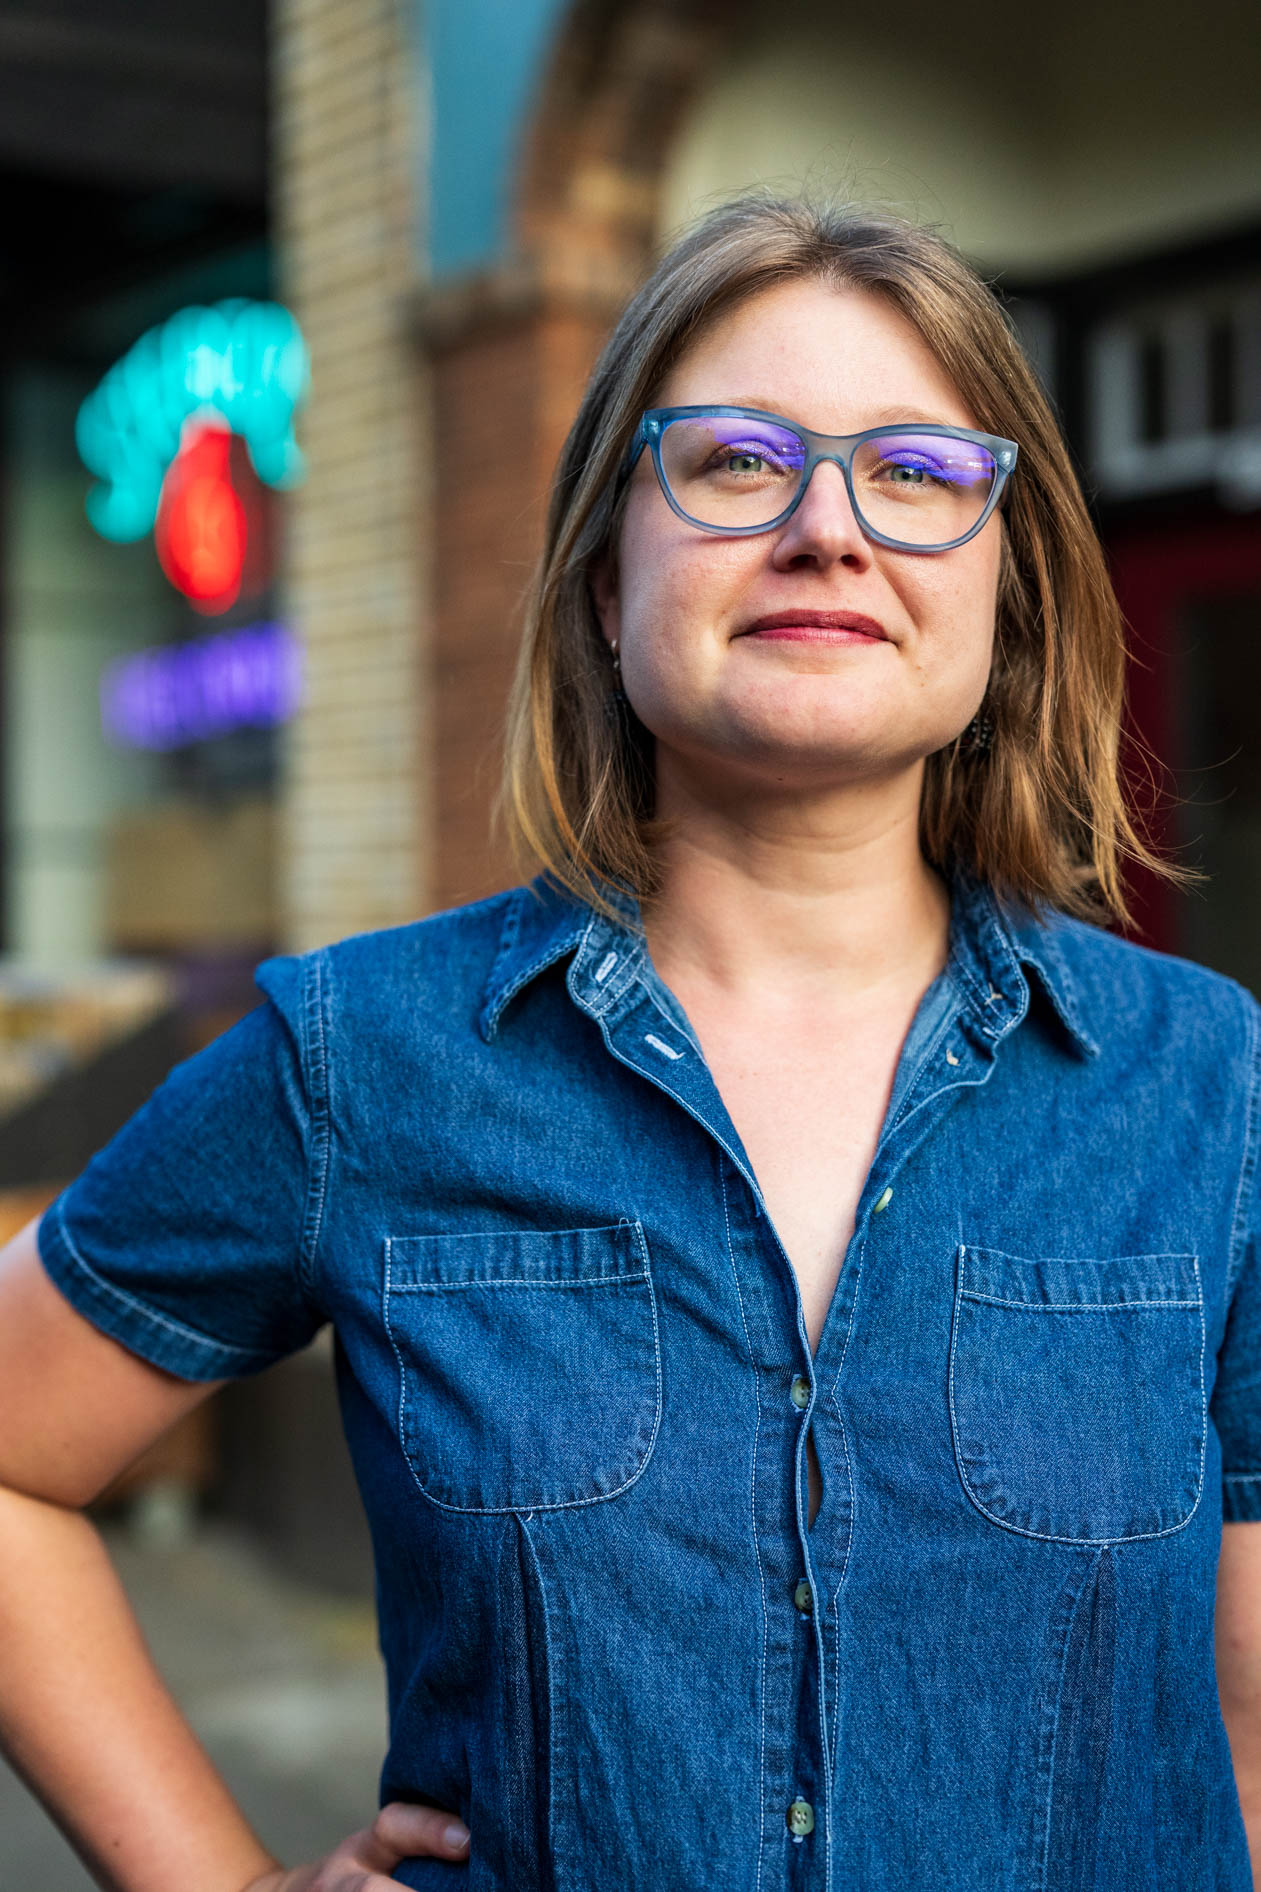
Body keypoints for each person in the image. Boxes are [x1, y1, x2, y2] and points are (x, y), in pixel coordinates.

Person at [1, 192, 1260, 1892]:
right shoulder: (360, 1059)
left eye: (912, 473)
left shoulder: (1209, 1084)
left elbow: (1244, 1717)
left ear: (1005, 598)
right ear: (606, 582)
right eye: (735, 461)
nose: (828, 528)